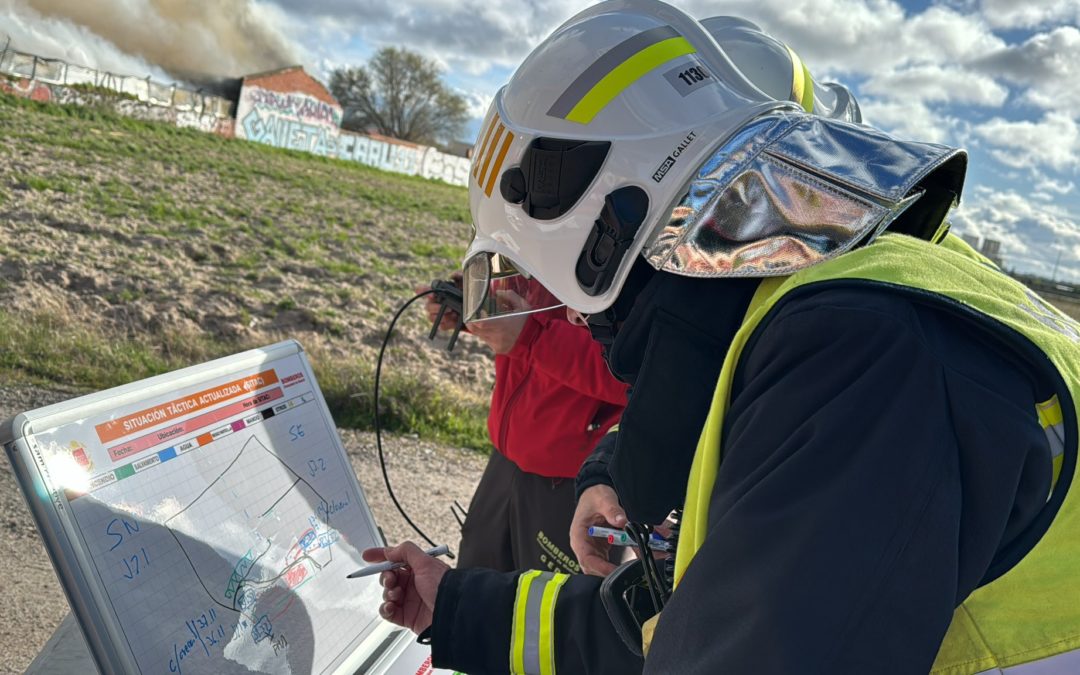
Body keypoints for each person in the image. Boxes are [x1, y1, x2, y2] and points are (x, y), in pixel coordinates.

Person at [368, 2, 1080, 673]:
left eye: (587, 307)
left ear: (617, 247)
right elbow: (676, 625)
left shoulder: (864, 363)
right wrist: (457, 604)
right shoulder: (838, 315)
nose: (585, 326)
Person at [418, 272, 627, 575]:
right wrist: (476, 309)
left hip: (581, 479)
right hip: (508, 455)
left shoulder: (646, 243)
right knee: (472, 590)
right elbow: (528, 310)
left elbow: (646, 374)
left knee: (553, 615)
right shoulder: (535, 228)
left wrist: (531, 338)